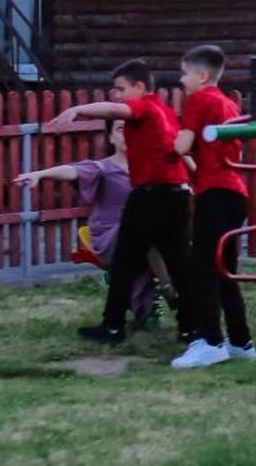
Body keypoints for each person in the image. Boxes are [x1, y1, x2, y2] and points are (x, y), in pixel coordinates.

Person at [42, 60, 191, 345]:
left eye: (120, 89)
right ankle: (189, 328)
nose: (116, 95)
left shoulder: (144, 106)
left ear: (140, 87)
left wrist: (77, 109)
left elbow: (115, 110)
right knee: (177, 261)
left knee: (123, 261)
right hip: (176, 192)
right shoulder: (165, 111)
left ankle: (112, 327)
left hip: (151, 194)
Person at [14, 119, 174, 328]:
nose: (127, 134)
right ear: (111, 137)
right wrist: (40, 174)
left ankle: (159, 301)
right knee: (145, 226)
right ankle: (171, 289)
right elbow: (73, 170)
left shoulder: (153, 169)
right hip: (110, 238)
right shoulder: (104, 168)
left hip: (146, 238)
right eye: (120, 129)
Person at [170, 44, 255, 371]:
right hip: (235, 192)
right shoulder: (228, 104)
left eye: (185, 73)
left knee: (201, 268)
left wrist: (169, 142)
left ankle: (210, 342)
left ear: (202, 76)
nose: (181, 80)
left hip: (214, 192)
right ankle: (240, 341)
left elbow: (181, 146)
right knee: (225, 269)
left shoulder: (200, 100)